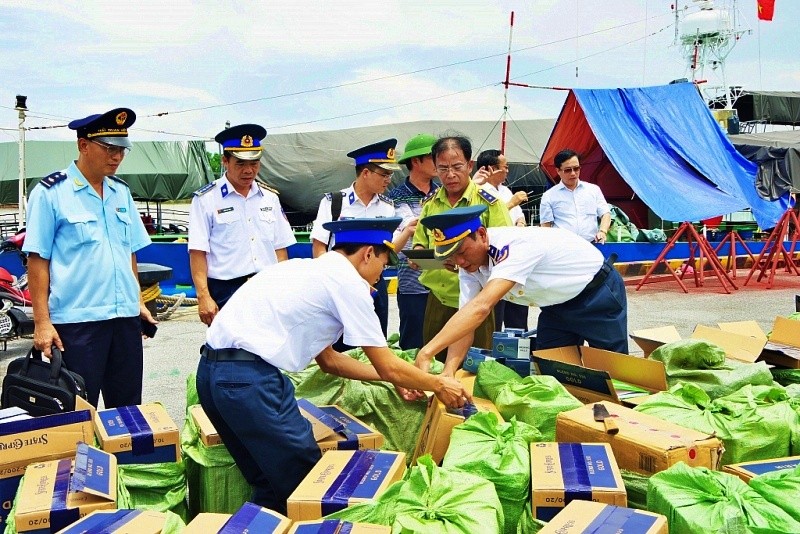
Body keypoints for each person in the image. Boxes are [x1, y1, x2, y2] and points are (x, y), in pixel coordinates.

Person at [196, 217, 471, 514]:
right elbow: (387, 364)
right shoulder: (349, 283)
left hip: (212, 376)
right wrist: (438, 383)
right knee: (311, 489)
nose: (381, 273)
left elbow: (330, 361)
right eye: (383, 261)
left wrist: (395, 380)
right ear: (367, 253)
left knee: (269, 484)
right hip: (249, 382)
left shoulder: (305, 270)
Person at [24, 107, 155, 408]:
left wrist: (137, 301)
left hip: (124, 320)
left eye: (122, 149)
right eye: (109, 148)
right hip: (78, 323)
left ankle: (123, 458)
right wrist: (42, 322)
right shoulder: (51, 193)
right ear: (83, 145)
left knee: (128, 409)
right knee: (79, 411)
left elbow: (128, 253)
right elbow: (37, 260)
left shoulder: (121, 193)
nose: (117, 156)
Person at [414, 206, 628, 377]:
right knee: (553, 372)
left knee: (614, 372)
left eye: (461, 252)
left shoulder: (512, 247)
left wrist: (427, 352)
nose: (459, 262)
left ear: (481, 234)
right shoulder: (470, 264)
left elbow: (481, 308)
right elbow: (466, 321)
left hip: (596, 295)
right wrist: (449, 371)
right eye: (450, 257)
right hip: (556, 306)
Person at [412, 136, 512, 362]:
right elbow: (420, 241)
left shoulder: (489, 203)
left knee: (475, 366)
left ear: (469, 165)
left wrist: (464, 259)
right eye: (443, 168)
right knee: (435, 364)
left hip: (478, 302)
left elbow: (506, 252)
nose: (450, 175)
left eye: (457, 167)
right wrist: (421, 255)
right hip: (439, 298)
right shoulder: (431, 204)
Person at [189, 124, 295, 325]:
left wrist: (284, 288)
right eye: (240, 163)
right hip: (226, 291)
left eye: (254, 163)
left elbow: (280, 249)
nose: (248, 170)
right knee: (231, 353)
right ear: (225, 161)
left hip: (267, 287)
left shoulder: (269, 198)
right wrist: (204, 296)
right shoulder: (206, 200)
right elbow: (197, 252)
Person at [310, 139, 400, 340]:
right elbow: (319, 248)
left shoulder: (387, 207)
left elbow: (387, 251)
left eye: (390, 174)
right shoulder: (334, 203)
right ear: (365, 172)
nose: (388, 179)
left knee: (375, 340)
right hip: (340, 284)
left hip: (375, 284)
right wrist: (332, 281)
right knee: (339, 344)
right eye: (384, 174)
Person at [387, 133, 439, 349]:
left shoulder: (443, 193)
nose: (439, 163)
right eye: (433, 157)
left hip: (442, 282)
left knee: (440, 342)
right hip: (412, 284)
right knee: (413, 343)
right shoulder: (394, 197)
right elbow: (412, 225)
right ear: (416, 161)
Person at [473, 149, 529, 330]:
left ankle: (519, 348)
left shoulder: (505, 190)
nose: (507, 171)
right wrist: (512, 202)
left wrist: (520, 223)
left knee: (518, 310)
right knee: (495, 310)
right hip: (492, 257)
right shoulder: (478, 191)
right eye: (505, 167)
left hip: (515, 254)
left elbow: (519, 216)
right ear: (491, 169)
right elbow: (485, 220)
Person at [539, 149, 612, 243]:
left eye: (576, 168)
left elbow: (605, 213)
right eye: (568, 170)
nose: (573, 173)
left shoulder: (593, 190)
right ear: (558, 171)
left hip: (591, 245)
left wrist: (602, 231)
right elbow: (546, 226)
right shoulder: (549, 196)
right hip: (563, 247)